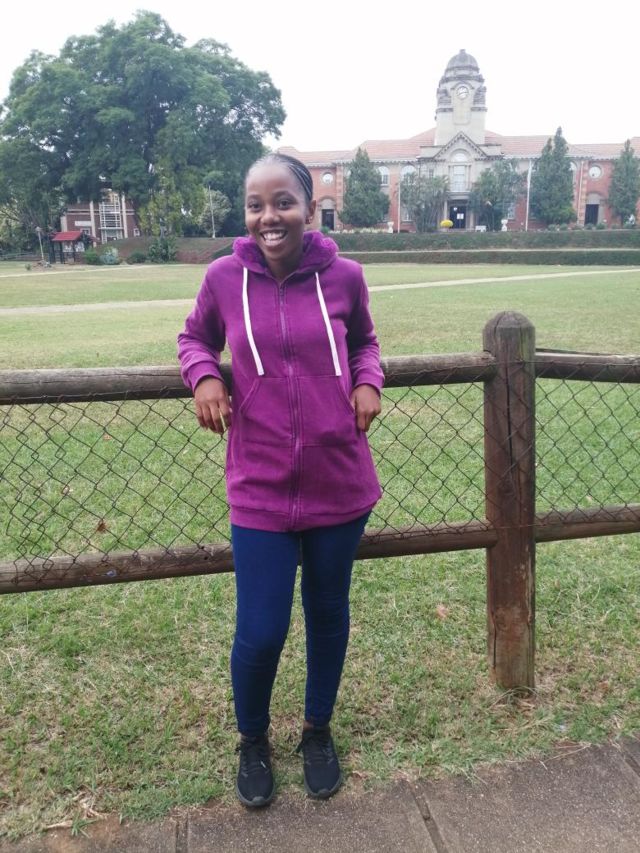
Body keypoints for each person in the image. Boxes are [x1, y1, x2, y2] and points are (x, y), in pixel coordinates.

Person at [177, 153, 383, 808]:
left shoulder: (345, 276)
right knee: (261, 629)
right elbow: (194, 338)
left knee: (327, 614)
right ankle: (253, 739)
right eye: (255, 204)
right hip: (260, 483)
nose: (269, 216)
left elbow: (365, 343)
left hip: (338, 479)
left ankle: (317, 730)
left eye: (283, 202)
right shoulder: (223, 278)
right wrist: (204, 377)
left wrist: (368, 381)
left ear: (309, 209)